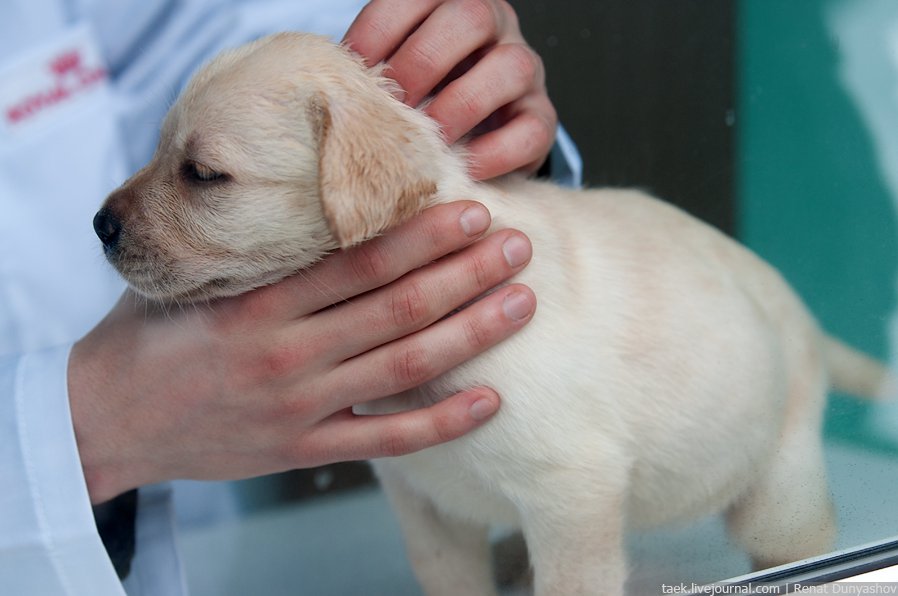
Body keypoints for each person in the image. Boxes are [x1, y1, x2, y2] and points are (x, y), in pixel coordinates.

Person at [0, 1, 580, 594]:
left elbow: (233, 45)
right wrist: (79, 427)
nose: (111, 215)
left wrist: (453, 108)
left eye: (199, 173)